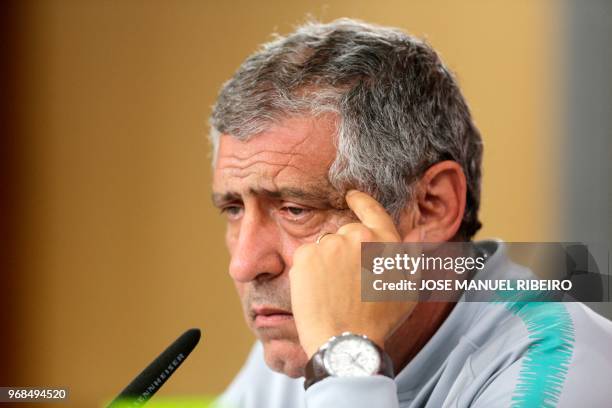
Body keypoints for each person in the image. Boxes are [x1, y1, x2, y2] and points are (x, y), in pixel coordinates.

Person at [208, 18, 612, 407]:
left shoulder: (559, 375)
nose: (244, 264)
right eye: (234, 208)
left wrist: (345, 361)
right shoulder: (303, 337)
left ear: (431, 207)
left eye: (296, 209)